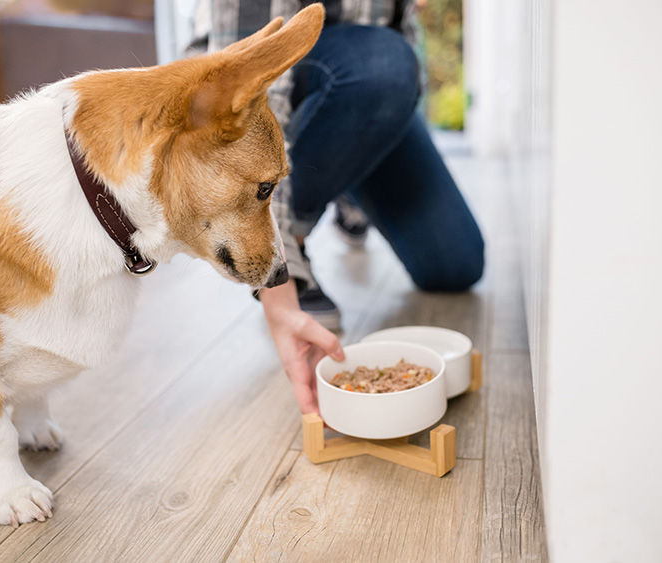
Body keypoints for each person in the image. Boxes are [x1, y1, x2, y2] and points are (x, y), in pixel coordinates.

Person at [162, 0, 485, 414]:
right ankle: (294, 234)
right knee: (384, 64)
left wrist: (372, 135)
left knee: (456, 264)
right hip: (264, 87)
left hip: (370, 81)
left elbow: (401, 55)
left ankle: (346, 193)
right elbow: (251, 93)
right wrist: (279, 286)